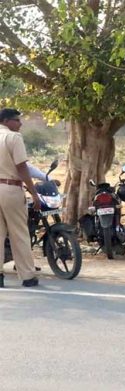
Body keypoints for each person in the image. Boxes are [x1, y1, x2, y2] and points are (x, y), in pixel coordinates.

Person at [0, 108, 41, 288]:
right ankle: (27, 276)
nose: (20, 124)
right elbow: (22, 167)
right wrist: (33, 192)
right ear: (7, 121)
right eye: (17, 120)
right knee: (19, 234)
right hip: (11, 188)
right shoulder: (13, 138)